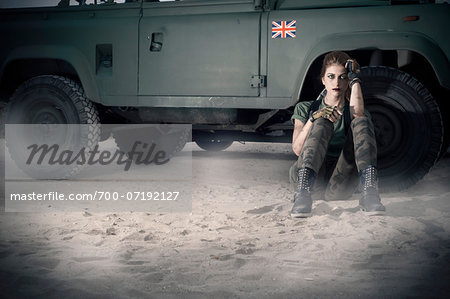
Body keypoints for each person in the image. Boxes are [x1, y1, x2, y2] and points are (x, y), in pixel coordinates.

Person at [289, 51, 386, 218]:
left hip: (340, 179)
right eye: (331, 76)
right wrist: (313, 119)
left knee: (362, 121)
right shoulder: (305, 108)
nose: (337, 82)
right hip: (311, 175)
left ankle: (369, 192)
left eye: (342, 77)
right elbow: (298, 150)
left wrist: (355, 80)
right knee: (322, 121)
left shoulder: (353, 110)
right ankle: (302, 193)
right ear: (323, 80)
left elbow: (358, 114)